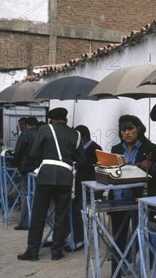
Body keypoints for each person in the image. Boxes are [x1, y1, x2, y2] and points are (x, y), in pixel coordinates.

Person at [17, 108, 86, 261]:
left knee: (38, 214)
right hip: (66, 178)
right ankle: (57, 252)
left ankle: (32, 251)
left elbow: (34, 153)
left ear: (52, 119)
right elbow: (82, 160)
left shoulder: (45, 129)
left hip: (46, 176)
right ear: (65, 119)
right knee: (61, 215)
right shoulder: (77, 134)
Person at [109, 115, 156, 278]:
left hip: (140, 200)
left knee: (142, 237)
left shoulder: (149, 148)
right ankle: (115, 276)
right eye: (123, 130)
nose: (127, 133)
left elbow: (153, 172)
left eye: (130, 129)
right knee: (117, 238)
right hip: (118, 199)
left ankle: (145, 277)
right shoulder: (115, 149)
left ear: (139, 128)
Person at [66, 125, 102, 252]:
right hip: (80, 187)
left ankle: (79, 239)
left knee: (75, 209)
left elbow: (95, 171)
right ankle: (63, 236)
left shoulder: (95, 149)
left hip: (91, 188)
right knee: (67, 206)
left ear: (84, 138)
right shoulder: (81, 149)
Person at [13, 117, 41, 230]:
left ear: (27, 124)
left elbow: (18, 151)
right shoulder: (42, 133)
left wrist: (18, 166)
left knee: (26, 195)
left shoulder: (25, 134)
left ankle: (25, 223)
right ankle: (38, 222)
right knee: (39, 195)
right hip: (40, 169)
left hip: (27, 168)